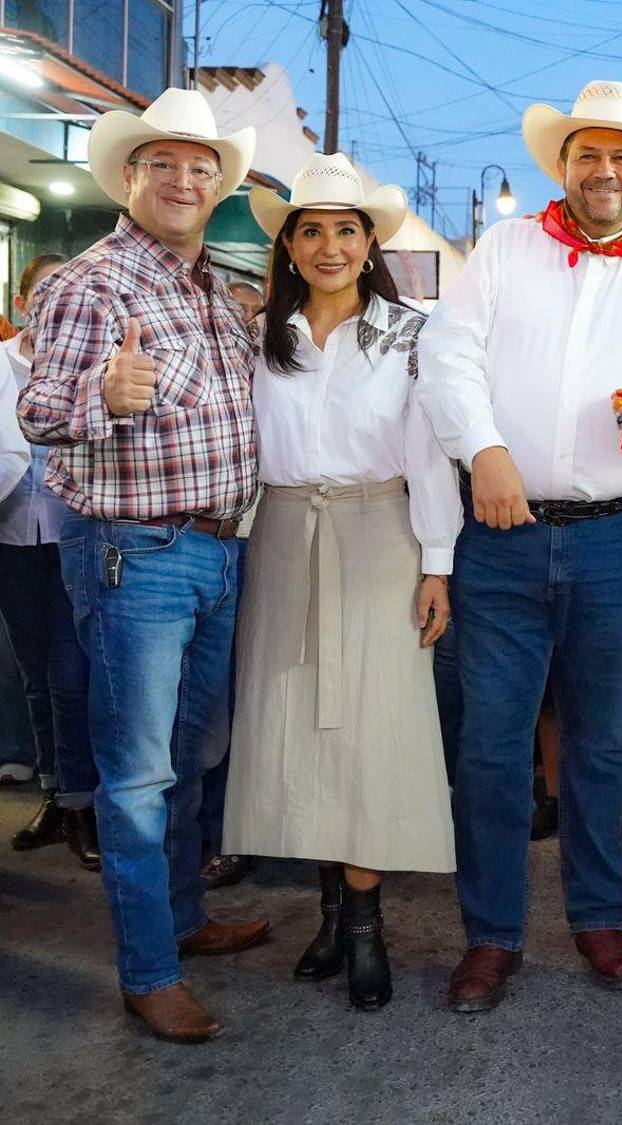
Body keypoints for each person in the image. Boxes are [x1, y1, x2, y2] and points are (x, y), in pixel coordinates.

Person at [418, 80, 622, 1011]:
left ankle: (598, 914)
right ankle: (492, 932)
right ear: (563, 166)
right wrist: (485, 452)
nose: (604, 169)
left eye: (620, 155)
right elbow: (449, 356)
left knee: (601, 741)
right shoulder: (505, 250)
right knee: (491, 744)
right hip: (502, 532)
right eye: (587, 153)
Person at [17, 87, 271, 1044]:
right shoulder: (89, 282)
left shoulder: (206, 282)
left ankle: (183, 920)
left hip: (215, 545)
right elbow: (38, 412)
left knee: (188, 759)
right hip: (138, 554)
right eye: (162, 162)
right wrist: (101, 393)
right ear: (130, 176)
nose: (182, 178)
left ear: (217, 184)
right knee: (135, 777)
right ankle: (147, 970)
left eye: (200, 166)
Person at [219, 153, 459, 1011]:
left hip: (381, 531)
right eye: (309, 229)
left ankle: (365, 924)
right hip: (283, 534)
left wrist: (438, 562)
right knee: (298, 729)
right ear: (287, 246)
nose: (327, 245)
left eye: (344, 230)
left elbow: (432, 457)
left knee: (372, 731)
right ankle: (328, 913)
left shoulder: (409, 334)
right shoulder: (261, 338)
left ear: (369, 243)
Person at [2, 252, 100, 871]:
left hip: (74, 539)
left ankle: (82, 802)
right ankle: (53, 796)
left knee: (71, 676)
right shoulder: (0, 369)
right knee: (33, 676)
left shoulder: (92, 368)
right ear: (21, 304)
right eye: (41, 293)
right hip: (11, 542)